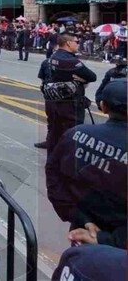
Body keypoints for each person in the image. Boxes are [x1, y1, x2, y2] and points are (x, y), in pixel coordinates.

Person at [46, 79, 127, 249]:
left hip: (83, 235)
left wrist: (80, 217)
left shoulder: (75, 134)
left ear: (103, 107)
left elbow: (54, 176)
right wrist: (109, 240)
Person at [46, 32, 97, 153]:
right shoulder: (71, 60)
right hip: (71, 103)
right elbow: (92, 76)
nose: (78, 44)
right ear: (68, 43)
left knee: (56, 131)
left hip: (57, 100)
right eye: (76, 42)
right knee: (72, 133)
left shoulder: (55, 56)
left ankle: (54, 158)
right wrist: (82, 79)